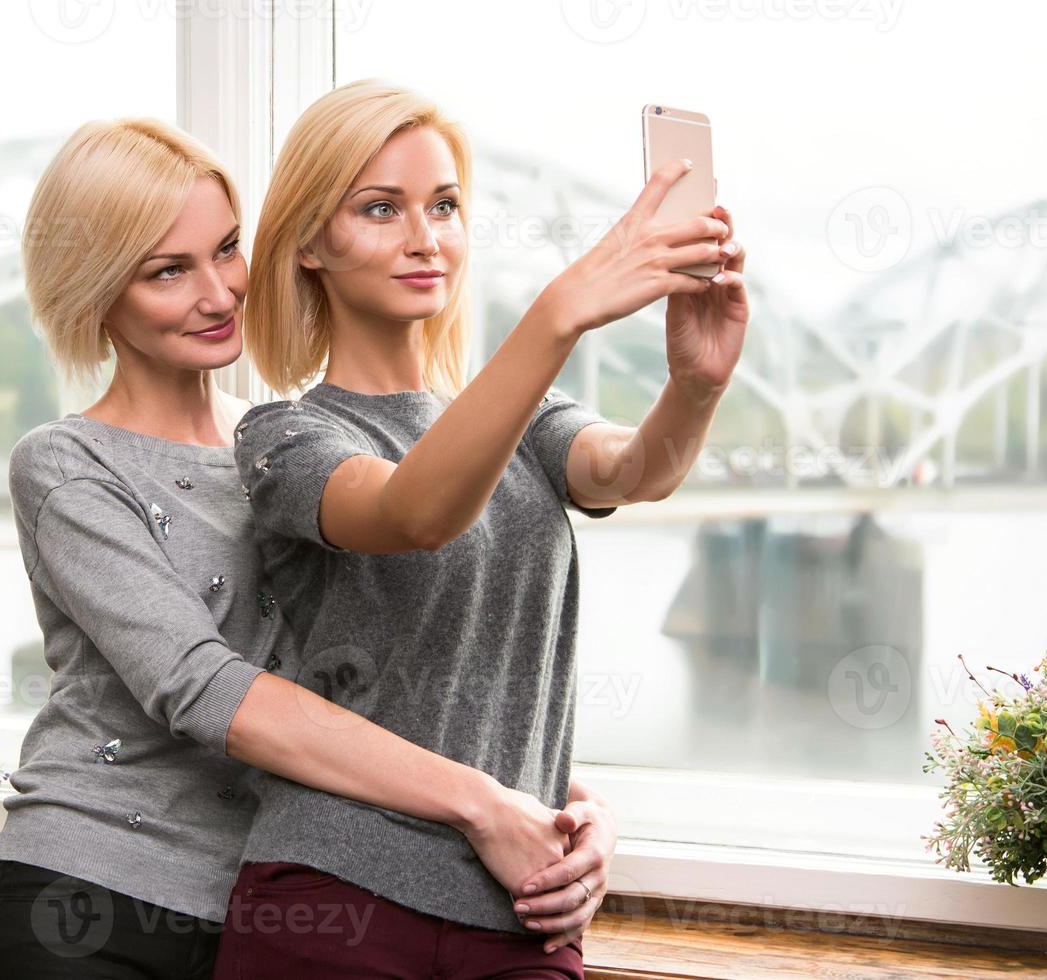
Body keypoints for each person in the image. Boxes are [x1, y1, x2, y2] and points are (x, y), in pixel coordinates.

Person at [0, 116, 615, 980]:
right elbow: (206, 687)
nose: (220, 293)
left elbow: (381, 681)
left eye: (227, 250)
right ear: (96, 295)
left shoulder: (290, 448)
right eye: (168, 271)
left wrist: (570, 807)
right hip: (89, 900)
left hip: (270, 901)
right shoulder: (66, 465)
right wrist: (480, 803)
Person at [218, 79, 748, 978]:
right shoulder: (287, 439)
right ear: (310, 243)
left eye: (446, 206)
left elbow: (633, 469)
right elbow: (414, 512)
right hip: (332, 901)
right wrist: (559, 312)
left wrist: (696, 385)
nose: (426, 238)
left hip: (518, 912)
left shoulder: (519, 418)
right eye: (380, 209)